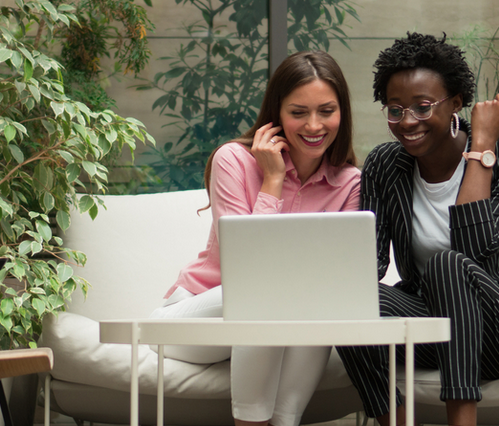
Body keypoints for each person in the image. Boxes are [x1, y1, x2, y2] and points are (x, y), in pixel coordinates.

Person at [336, 33, 499, 426]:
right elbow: (367, 267)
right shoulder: (386, 165)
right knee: (346, 302)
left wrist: (482, 146)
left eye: (422, 107)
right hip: (436, 330)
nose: (407, 123)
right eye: (395, 110)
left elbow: (473, 250)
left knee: (447, 264)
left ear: (456, 103)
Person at [150, 50, 361, 426]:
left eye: (326, 111)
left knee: (312, 301)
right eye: (298, 112)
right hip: (193, 323)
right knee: (266, 292)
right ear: (276, 114)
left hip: (275, 326)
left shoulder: (349, 183)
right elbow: (245, 270)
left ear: (342, 112)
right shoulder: (233, 160)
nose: (314, 125)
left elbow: (336, 280)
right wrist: (273, 181)